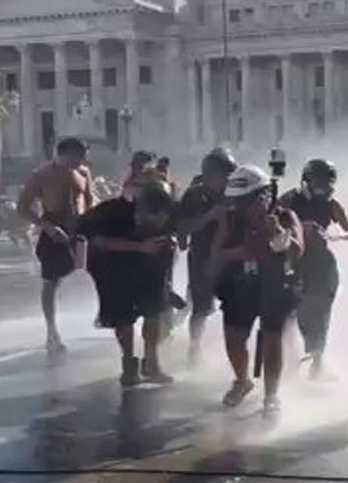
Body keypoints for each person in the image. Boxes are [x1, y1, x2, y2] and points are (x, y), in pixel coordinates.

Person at [210, 164, 303, 414]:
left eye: (245, 201)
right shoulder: (231, 220)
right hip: (241, 285)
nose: (240, 207)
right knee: (234, 338)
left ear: (263, 196)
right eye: (237, 202)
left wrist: (277, 234)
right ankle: (242, 380)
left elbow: (297, 250)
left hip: (275, 285)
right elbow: (217, 252)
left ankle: (271, 395)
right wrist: (240, 253)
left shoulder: (284, 217)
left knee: (272, 338)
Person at [79, 183, 178, 386]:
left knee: (154, 311)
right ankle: (129, 364)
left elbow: (173, 242)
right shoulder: (112, 211)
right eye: (152, 215)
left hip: (150, 266)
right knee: (123, 317)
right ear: (139, 207)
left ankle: (151, 362)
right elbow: (98, 241)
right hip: (112, 268)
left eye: (162, 216)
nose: (158, 220)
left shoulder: (169, 212)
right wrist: (140, 246)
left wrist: (168, 280)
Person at [279, 158, 348, 379]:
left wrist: (335, 235)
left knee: (322, 311)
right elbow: (274, 220)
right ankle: (290, 358)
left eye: (327, 180)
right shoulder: (290, 199)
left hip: (322, 261)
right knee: (293, 312)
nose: (323, 185)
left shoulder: (332, 205)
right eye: (319, 180)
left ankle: (317, 361)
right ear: (307, 179)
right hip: (294, 260)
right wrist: (297, 229)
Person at [17, 138, 94, 355]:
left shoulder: (84, 172)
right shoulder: (40, 175)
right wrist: (48, 227)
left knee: (100, 269)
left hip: (78, 225)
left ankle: (105, 312)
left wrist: (92, 224)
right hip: (53, 226)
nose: (83, 161)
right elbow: (22, 208)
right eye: (80, 157)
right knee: (51, 281)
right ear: (66, 155)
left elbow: (89, 200)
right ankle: (51, 330)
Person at [176, 148, 238, 367]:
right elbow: (181, 227)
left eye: (228, 175)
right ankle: (194, 347)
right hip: (202, 255)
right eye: (220, 176)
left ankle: (237, 350)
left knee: (239, 304)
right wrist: (209, 217)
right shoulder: (194, 196)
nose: (224, 181)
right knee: (201, 307)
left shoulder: (238, 192)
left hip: (232, 255)